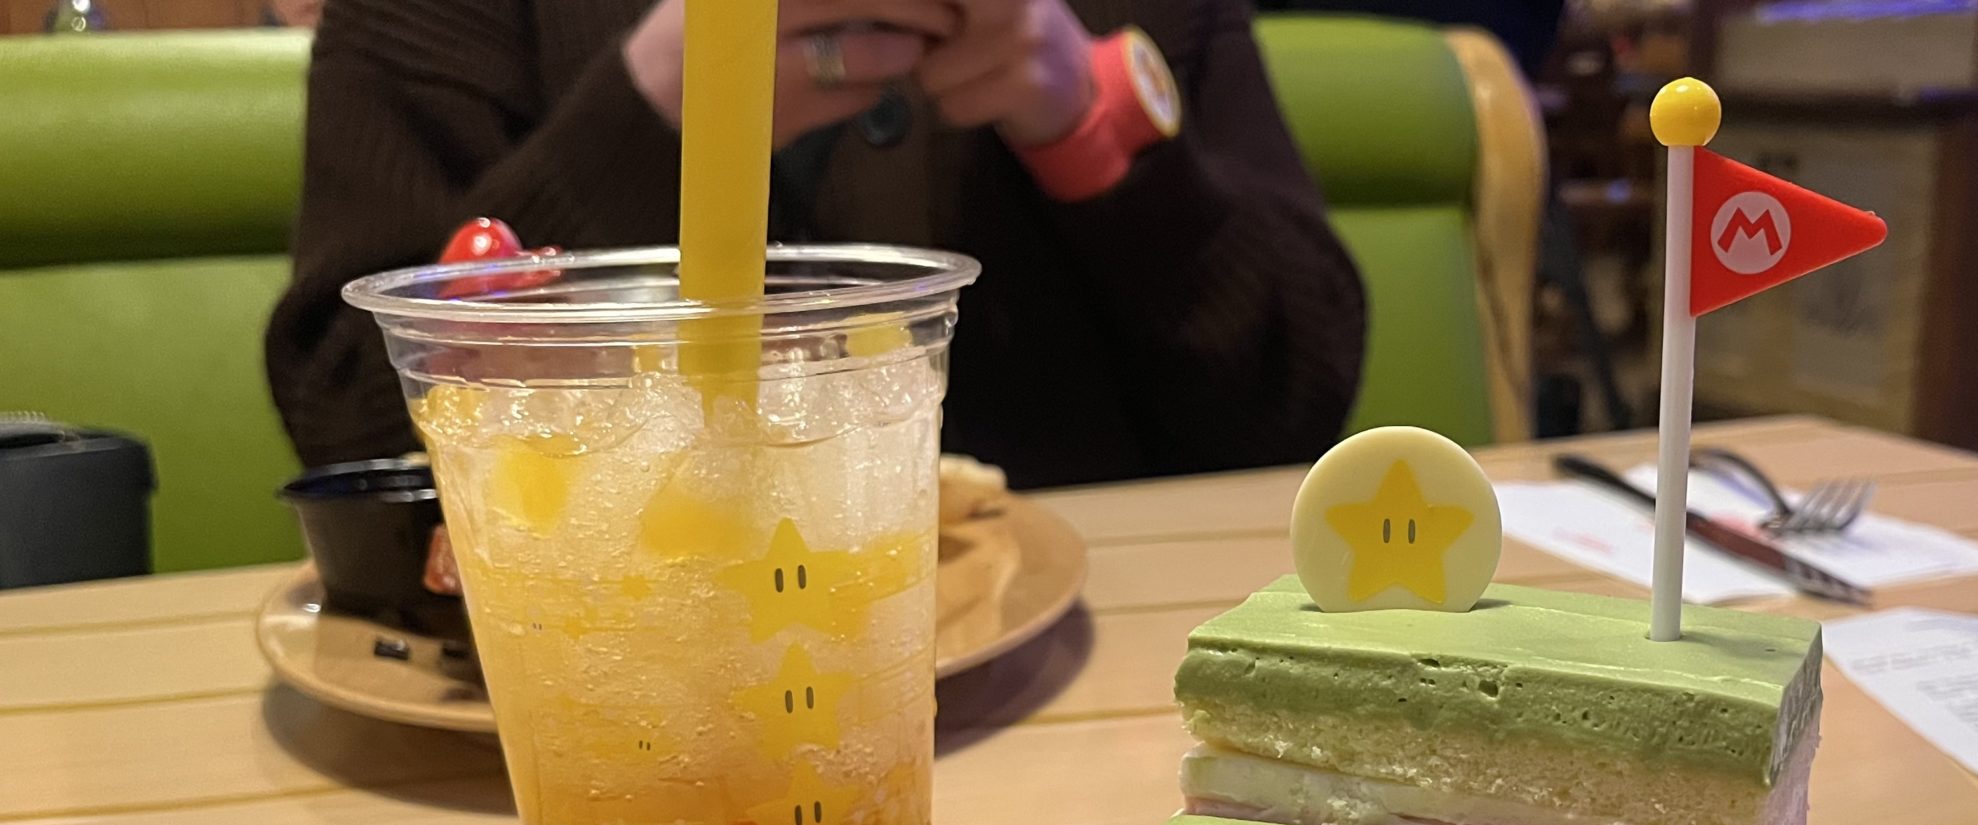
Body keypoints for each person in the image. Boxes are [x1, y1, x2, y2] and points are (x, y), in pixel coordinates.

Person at [266, 0, 1367, 488]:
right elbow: (355, 423)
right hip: (589, 709)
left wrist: (1082, 119)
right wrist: (654, 110)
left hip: (1093, 688)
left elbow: (1297, 401)